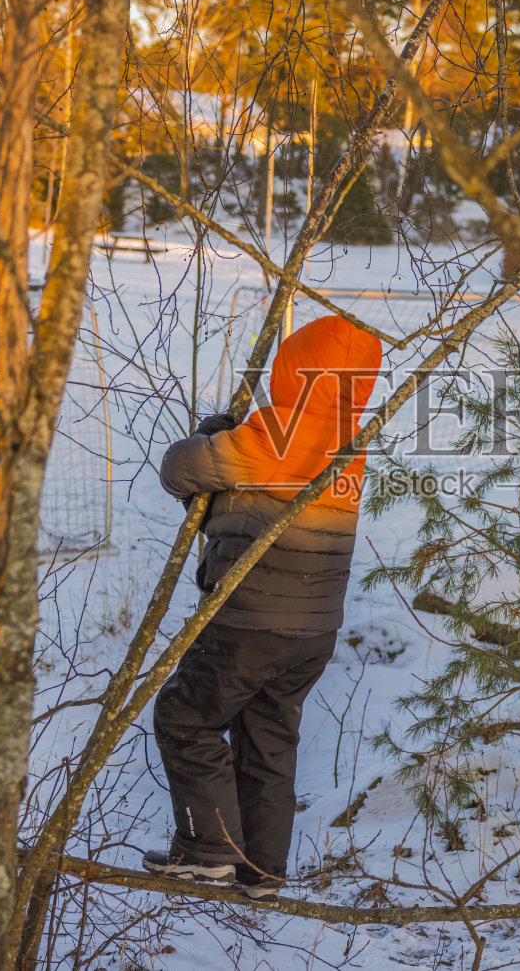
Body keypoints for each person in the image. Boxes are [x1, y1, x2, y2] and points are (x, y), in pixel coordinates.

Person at [145, 315, 383, 903]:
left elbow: (180, 472)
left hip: (250, 621)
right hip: (313, 631)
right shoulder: (350, 446)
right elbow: (248, 501)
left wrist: (212, 436)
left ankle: (206, 853)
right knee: (268, 741)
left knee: (185, 717)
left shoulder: (274, 433)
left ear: (294, 369)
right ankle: (262, 870)